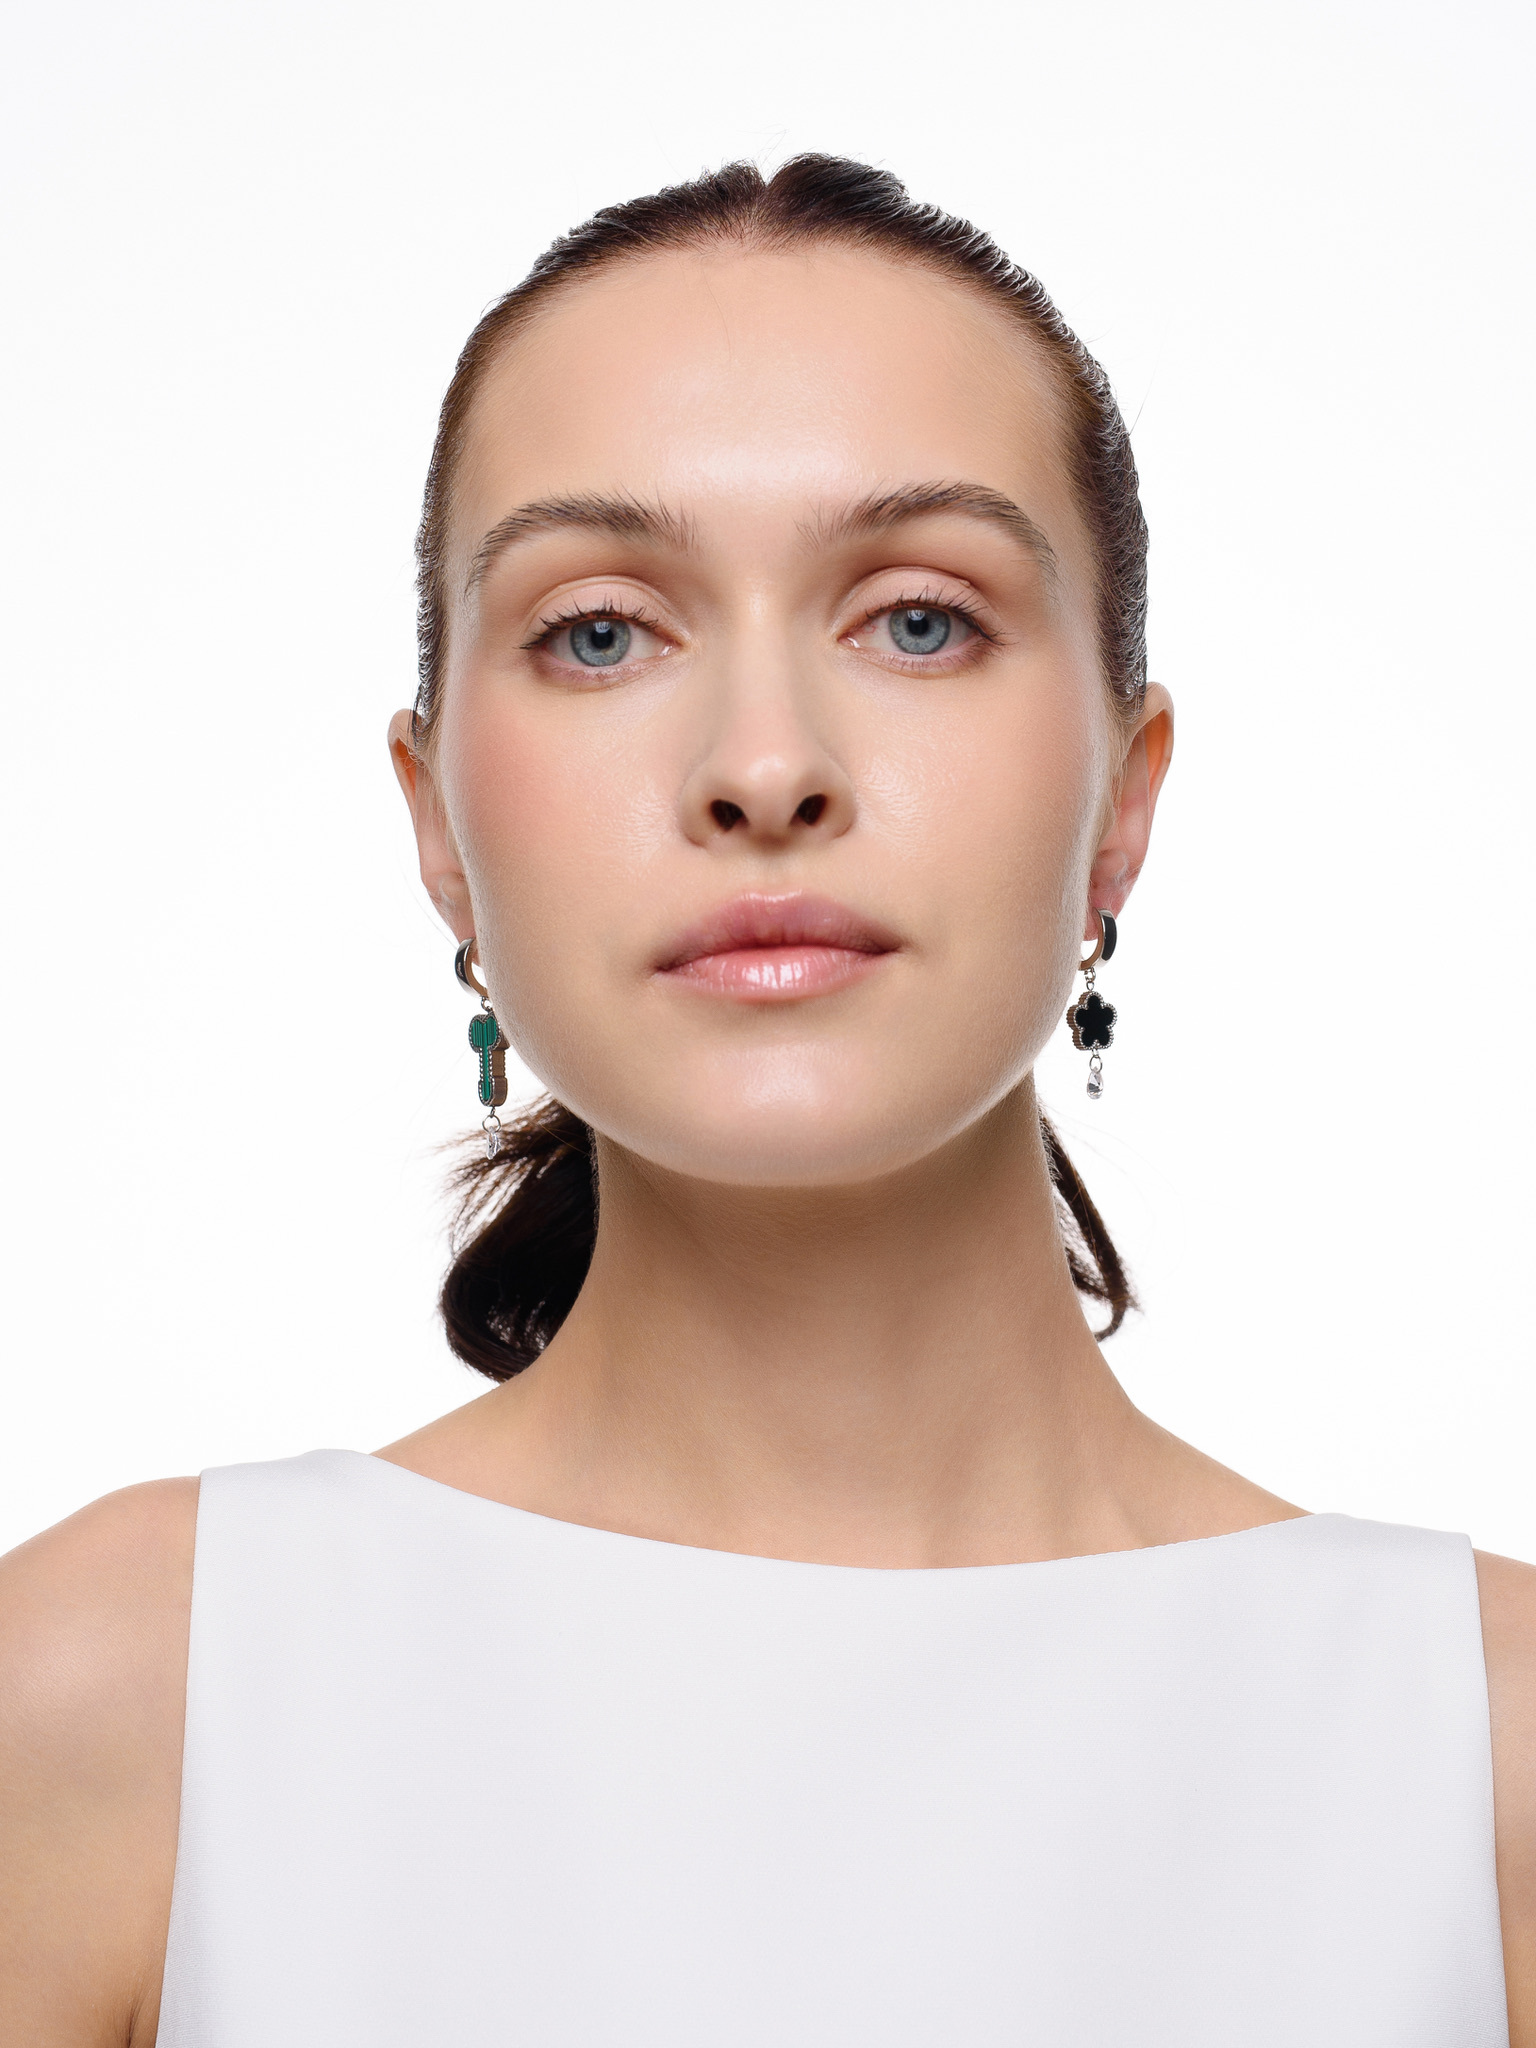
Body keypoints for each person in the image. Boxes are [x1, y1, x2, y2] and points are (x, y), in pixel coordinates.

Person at [1, 155, 1532, 2045]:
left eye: (917, 619)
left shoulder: (1491, 1760)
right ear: (438, 826)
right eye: (599, 631)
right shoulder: (108, 1704)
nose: (763, 765)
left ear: (1123, 796)